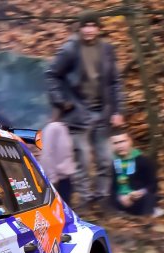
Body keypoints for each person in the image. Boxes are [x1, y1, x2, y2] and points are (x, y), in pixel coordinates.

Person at [45, 11, 125, 207]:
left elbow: (115, 82)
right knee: (82, 158)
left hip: (102, 111)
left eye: (93, 25)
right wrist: (62, 101)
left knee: (106, 158)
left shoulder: (106, 49)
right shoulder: (70, 49)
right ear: (80, 28)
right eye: (85, 26)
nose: (89, 30)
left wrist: (118, 110)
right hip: (77, 112)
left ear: (98, 28)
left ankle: (102, 197)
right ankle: (85, 199)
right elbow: (51, 75)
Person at [109, 129, 157, 215]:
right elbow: (112, 187)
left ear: (130, 141)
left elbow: (153, 185)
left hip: (139, 198)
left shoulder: (143, 161)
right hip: (120, 199)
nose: (120, 146)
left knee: (149, 198)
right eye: (115, 143)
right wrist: (120, 197)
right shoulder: (113, 162)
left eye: (123, 141)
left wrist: (140, 192)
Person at [39, 109, 76, 204]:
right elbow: (47, 154)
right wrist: (52, 178)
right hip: (57, 180)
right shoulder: (53, 128)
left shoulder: (63, 127)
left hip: (65, 178)